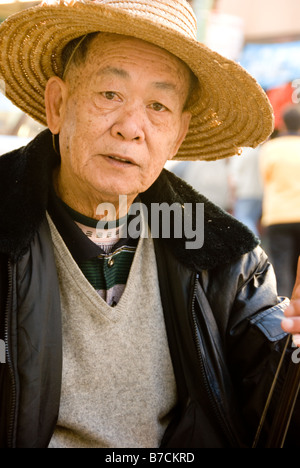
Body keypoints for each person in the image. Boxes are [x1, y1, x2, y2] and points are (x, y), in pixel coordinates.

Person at [0, 0, 300, 449]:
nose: (131, 127)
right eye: (110, 94)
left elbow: (271, 385)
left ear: (177, 136)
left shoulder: (225, 259)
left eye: (158, 105)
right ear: (58, 104)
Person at [260, 105, 300, 297]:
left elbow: (265, 178)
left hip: (278, 215)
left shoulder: (270, 148)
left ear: (283, 124)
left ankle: (283, 311)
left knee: (281, 267)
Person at [229, 147, 263, 237]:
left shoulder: (240, 154)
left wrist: (232, 197)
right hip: (259, 193)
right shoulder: (260, 152)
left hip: (244, 193)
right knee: (252, 220)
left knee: (244, 220)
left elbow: (233, 178)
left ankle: (253, 246)